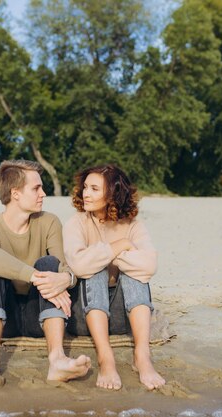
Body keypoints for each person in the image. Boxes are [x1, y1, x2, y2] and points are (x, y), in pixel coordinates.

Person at [0, 159, 91, 387]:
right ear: (15, 193)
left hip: (39, 315)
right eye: (36, 188)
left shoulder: (48, 222)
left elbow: (63, 266)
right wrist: (33, 275)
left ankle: (57, 359)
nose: (43, 193)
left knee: (48, 262)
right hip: (5, 317)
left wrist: (64, 278)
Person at [62, 164, 165, 391]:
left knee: (134, 274)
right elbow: (79, 265)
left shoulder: (133, 226)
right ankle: (106, 357)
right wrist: (120, 248)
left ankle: (142, 356)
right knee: (93, 270)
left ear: (113, 193)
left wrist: (107, 255)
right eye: (85, 187)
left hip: (122, 318)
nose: (86, 193)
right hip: (84, 317)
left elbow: (150, 265)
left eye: (95, 189)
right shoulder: (76, 223)